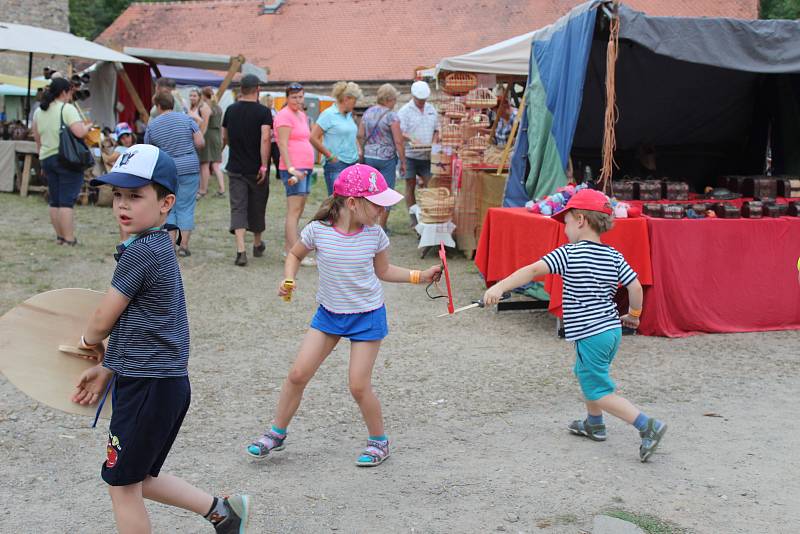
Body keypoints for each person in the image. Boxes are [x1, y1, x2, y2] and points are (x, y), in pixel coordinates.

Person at [71, 144, 251, 533]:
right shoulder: (157, 245)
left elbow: (104, 318)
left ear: (167, 202)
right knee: (136, 477)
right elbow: (138, 326)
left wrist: (88, 341)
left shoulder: (141, 253)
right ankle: (223, 512)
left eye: (136, 196)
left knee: (122, 485)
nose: (123, 204)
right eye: (118, 194)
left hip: (148, 387)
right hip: (159, 384)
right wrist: (109, 367)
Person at [245, 164, 441, 466]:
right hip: (329, 314)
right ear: (352, 203)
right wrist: (289, 278)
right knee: (297, 374)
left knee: (358, 385)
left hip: (367, 316)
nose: (381, 211)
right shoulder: (318, 231)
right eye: (377, 205)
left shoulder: (374, 235)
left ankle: (379, 441)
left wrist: (420, 276)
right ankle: (276, 432)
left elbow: (385, 271)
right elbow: (295, 254)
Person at [482, 189, 667, 462]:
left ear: (580, 220)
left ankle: (646, 425)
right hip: (610, 331)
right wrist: (635, 315)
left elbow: (533, 270)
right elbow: (635, 285)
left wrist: (499, 286)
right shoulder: (613, 255)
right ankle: (594, 424)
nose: (565, 228)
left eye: (566, 222)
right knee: (587, 374)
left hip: (591, 334)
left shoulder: (569, 254)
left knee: (599, 389)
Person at [31, 77, 92, 246]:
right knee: (66, 201)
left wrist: (41, 159)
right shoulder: (67, 109)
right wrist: (88, 127)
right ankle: (69, 239)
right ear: (64, 92)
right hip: (66, 159)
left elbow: (37, 137)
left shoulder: (39, 111)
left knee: (55, 200)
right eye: (70, 92)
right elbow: (79, 132)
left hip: (46, 158)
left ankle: (60, 237)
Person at [221, 74, 272, 267]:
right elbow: (265, 138)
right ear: (257, 89)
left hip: (235, 167)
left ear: (240, 89)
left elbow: (225, 137)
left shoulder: (230, 110)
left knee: (238, 206)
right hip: (255, 168)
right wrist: (264, 165)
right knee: (257, 204)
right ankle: (257, 243)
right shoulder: (263, 112)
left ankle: (241, 250)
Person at [145, 92, 204, 257]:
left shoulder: (153, 125)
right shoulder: (187, 120)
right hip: (189, 167)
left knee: (169, 208)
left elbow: (148, 150)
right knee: (186, 206)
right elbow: (200, 143)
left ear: (158, 106)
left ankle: (169, 246)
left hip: (167, 169)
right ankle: (184, 246)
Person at [273, 82, 316, 265]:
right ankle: (295, 254)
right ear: (287, 97)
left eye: (300, 97)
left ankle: (288, 248)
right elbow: (282, 144)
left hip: (305, 167)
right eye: (294, 97)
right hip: (293, 168)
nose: (298, 100)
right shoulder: (284, 116)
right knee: (294, 210)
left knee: (300, 210)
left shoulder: (301, 114)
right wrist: (291, 168)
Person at [358, 83, 406, 233]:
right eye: (394, 100)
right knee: (386, 192)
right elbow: (398, 141)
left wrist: (363, 152)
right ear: (389, 99)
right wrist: (403, 161)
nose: (395, 103)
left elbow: (360, 135)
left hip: (369, 157)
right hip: (386, 159)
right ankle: (381, 227)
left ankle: (367, 223)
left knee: (369, 191)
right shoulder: (392, 116)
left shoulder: (368, 113)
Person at [398, 80, 439, 223]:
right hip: (410, 155)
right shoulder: (404, 111)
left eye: (424, 100)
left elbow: (436, 129)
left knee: (430, 184)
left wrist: (434, 141)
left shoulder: (431, 109)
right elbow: (399, 132)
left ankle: (428, 215)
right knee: (410, 185)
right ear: (414, 97)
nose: (422, 102)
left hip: (427, 155)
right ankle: (413, 219)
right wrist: (411, 138)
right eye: (419, 100)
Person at [311, 81, 362, 195]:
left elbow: (351, 133)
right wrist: (330, 156)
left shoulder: (348, 115)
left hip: (353, 163)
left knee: (350, 201)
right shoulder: (328, 114)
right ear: (346, 99)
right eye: (354, 100)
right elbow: (313, 137)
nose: (355, 103)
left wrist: (359, 149)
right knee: (337, 202)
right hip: (336, 165)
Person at [197, 87, 226, 198]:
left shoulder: (205, 107)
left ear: (203, 96)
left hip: (208, 135)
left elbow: (204, 123)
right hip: (217, 135)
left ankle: (203, 190)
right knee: (216, 165)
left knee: (204, 163)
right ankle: (222, 189)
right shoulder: (218, 107)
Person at [260, 94, 281, 181]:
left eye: (272, 101)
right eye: (270, 101)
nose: (272, 102)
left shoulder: (275, 111)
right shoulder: (263, 111)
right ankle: (266, 176)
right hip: (266, 138)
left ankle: (279, 175)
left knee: (277, 157)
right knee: (266, 158)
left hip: (274, 139)